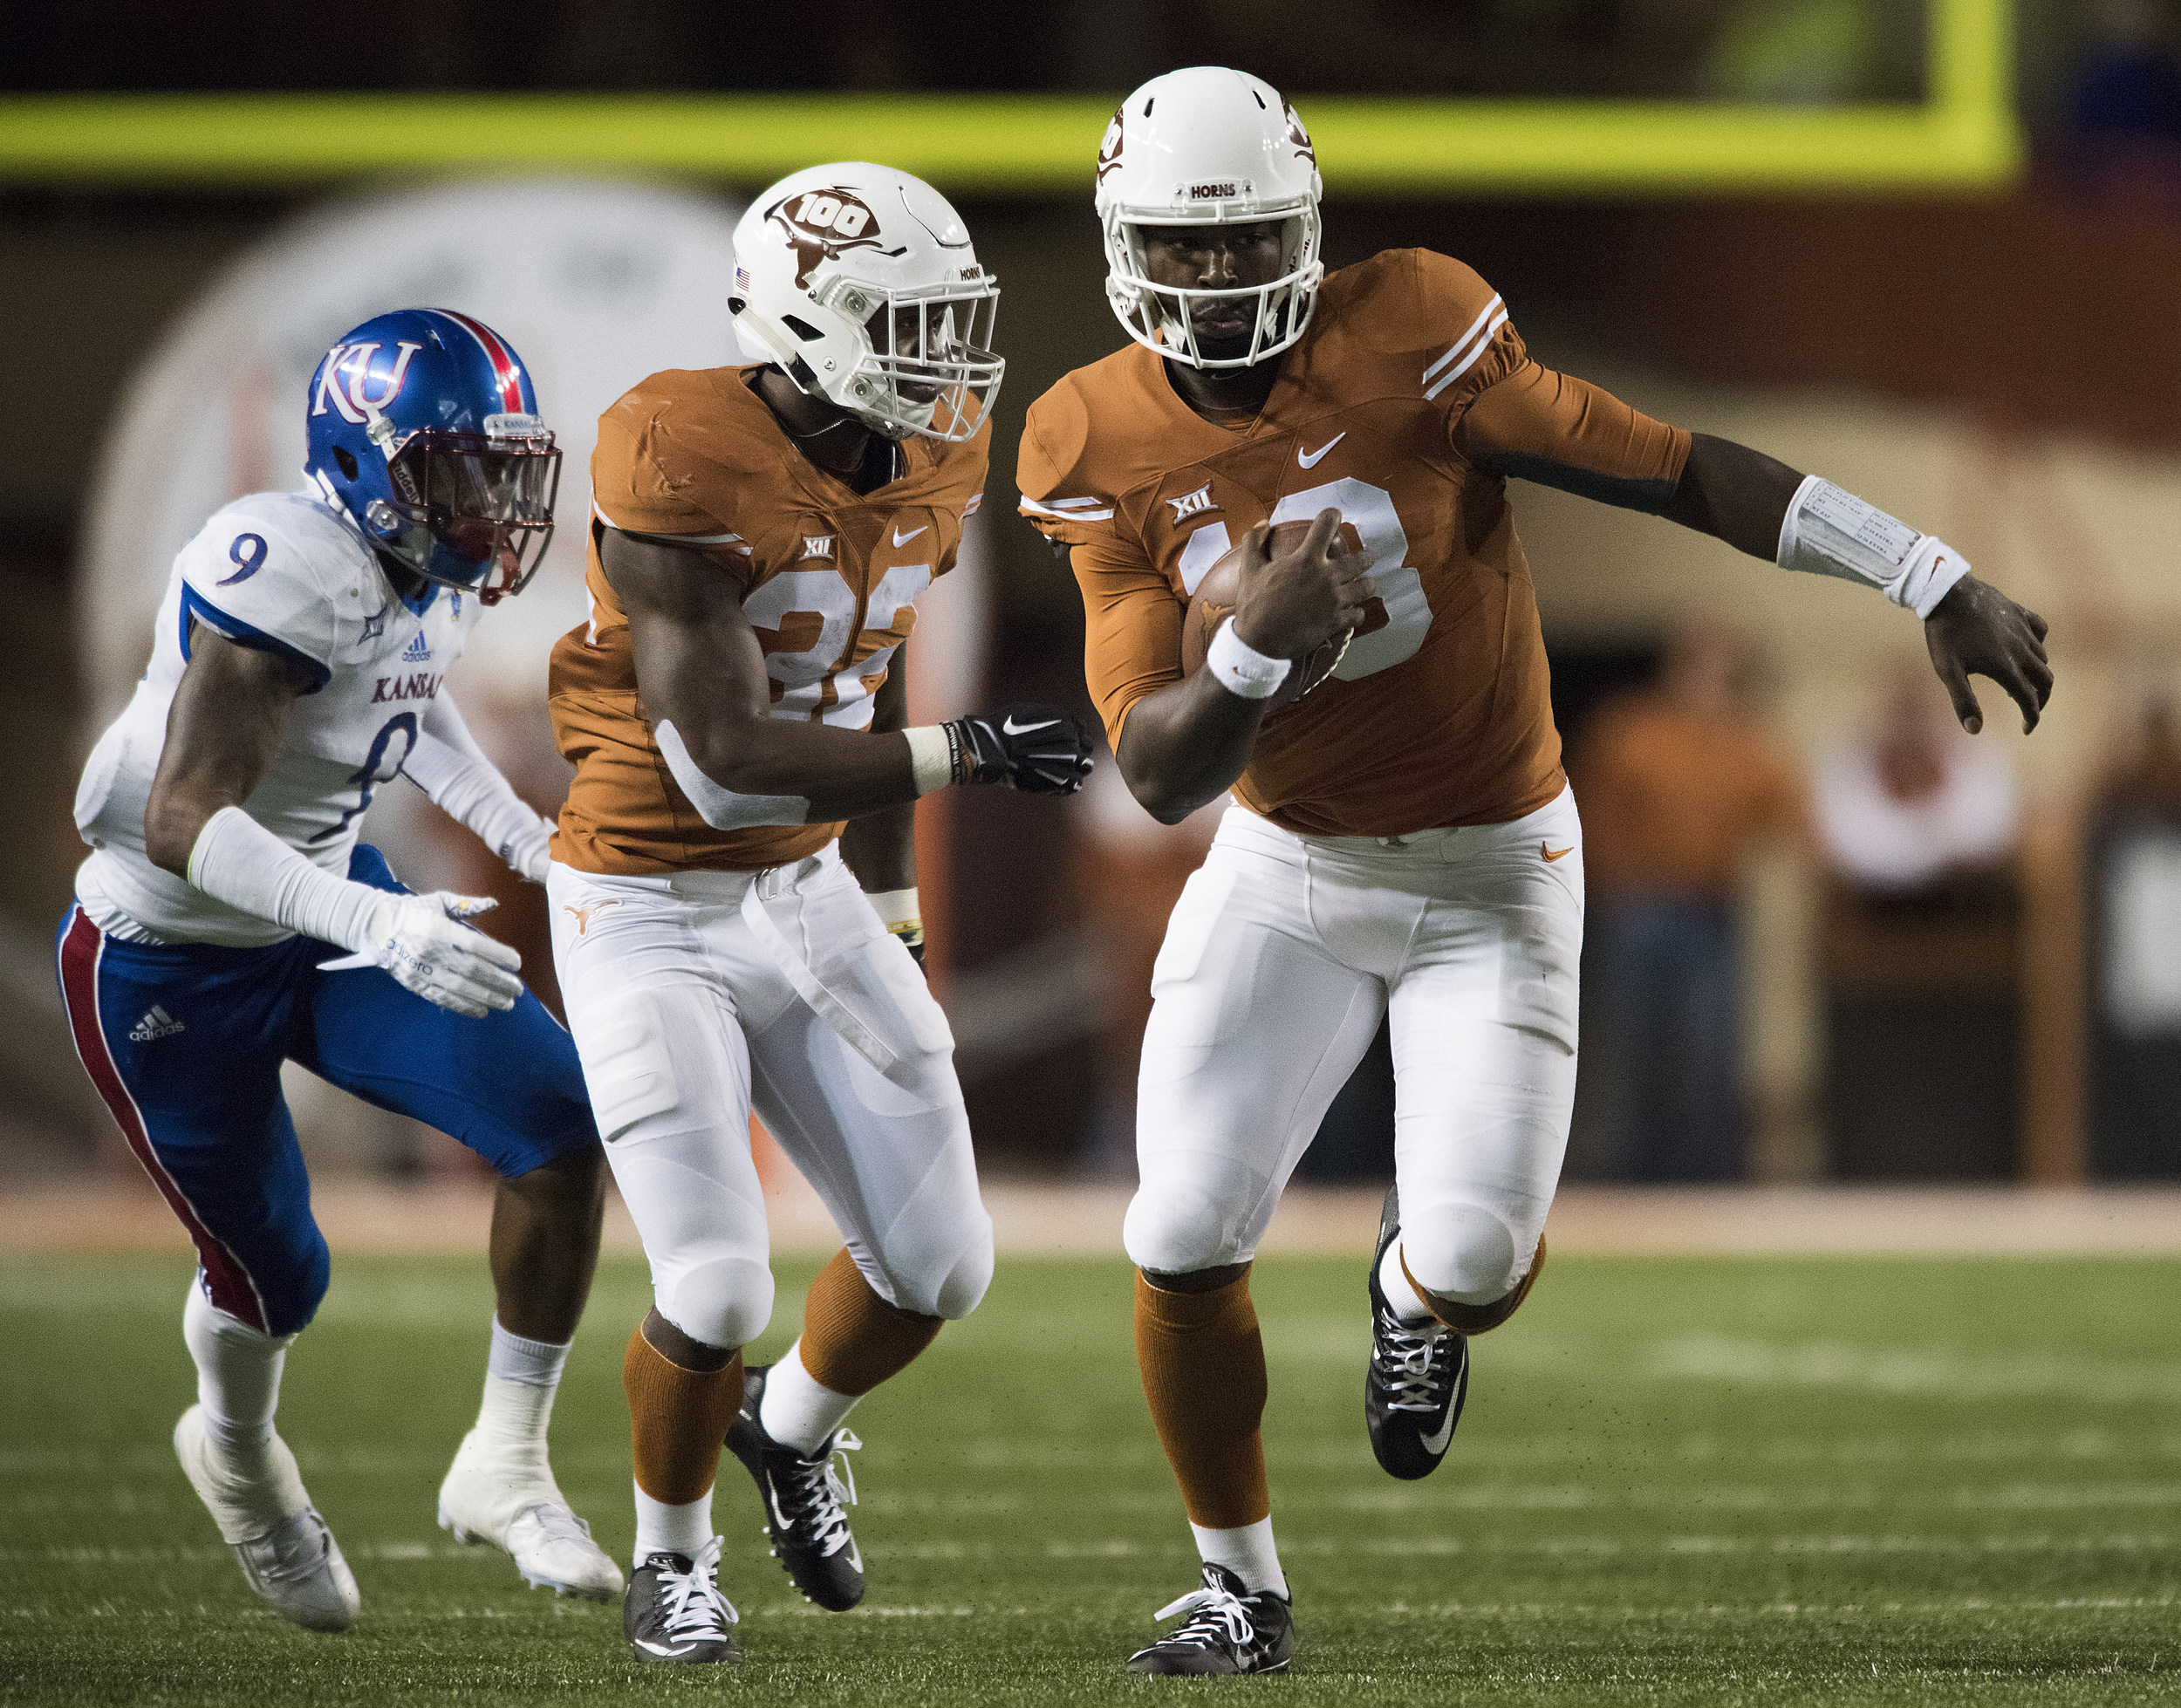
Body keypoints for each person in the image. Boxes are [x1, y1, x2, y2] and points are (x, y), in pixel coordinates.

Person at [1018, 65, 2054, 1676]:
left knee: (1483, 1261)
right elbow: (1159, 771)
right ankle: (1240, 1584)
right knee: (1179, 1228)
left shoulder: (1417, 327)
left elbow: (1674, 465)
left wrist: (1926, 568)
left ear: (1306, 230)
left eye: (1244, 243)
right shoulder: (1090, 430)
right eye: (1181, 244)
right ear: (1121, 243)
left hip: (1494, 868)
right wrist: (1251, 659)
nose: (1214, 278)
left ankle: (1416, 1293)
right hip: (1284, 868)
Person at [547, 161, 1092, 1666]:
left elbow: (878, 658)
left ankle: (789, 1434)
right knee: (716, 1277)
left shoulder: (940, 440)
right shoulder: (674, 448)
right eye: (909, 320)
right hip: (648, 898)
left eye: (954, 317)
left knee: (943, 1266)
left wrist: (900, 890)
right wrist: (964, 757)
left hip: (807, 886)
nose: (949, 356)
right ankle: (671, 1558)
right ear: (805, 317)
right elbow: (720, 765)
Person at [58, 310, 621, 1632]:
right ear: (366, 463)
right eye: (455, 466)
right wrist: (380, 926)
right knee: (277, 1278)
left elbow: (406, 713)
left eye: (499, 464)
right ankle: (243, 1462)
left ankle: (510, 1462)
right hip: (172, 956)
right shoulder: (285, 569)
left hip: (324, 911)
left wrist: (530, 841)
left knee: (554, 1122)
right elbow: (184, 823)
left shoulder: (403, 563)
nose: (486, 498)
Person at [1574, 621, 1802, 1181]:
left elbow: (1790, 817)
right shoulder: (1629, 732)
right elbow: (1584, 816)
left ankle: (1708, 1183)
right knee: (1633, 1052)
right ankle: (1632, 1181)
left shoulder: (1742, 741)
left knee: (1709, 1054)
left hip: (1710, 914)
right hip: (1635, 912)